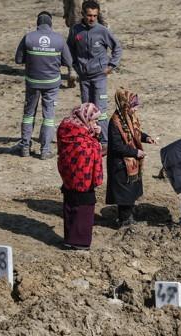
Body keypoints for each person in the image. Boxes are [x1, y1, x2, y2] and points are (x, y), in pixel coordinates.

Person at [15, 11, 72, 159]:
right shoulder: (58, 39)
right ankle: (45, 150)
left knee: (28, 114)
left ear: (38, 23)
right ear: (51, 23)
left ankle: (25, 147)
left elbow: (18, 60)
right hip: (51, 83)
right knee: (49, 116)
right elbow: (68, 62)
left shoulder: (28, 37)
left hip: (32, 82)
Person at [67, 0, 122, 148]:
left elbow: (117, 48)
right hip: (84, 77)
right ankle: (90, 140)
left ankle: (104, 143)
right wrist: (74, 66)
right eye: (89, 15)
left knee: (101, 110)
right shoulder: (75, 30)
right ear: (83, 14)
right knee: (86, 110)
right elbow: (69, 49)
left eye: (95, 16)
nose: (92, 19)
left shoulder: (102, 30)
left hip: (99, 77)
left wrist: (111, 66)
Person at [106, 89, 157, 227]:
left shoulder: (128, 117)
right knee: (124, 194)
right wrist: (135, 153)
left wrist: (146, 138)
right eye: (133, 106)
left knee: (130, 192)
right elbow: (117, 146)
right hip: (120, 164)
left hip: (130, 163)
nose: (136, 109)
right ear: (125, 106)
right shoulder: (115, 122)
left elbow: (136, 133)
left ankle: (127, 215)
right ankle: (124, 220)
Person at [57, 103, 103, 250]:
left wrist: (94, 134)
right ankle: (79, 242)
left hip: (68, 176)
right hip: (82, 178)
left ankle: (70, 239)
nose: (95, 123)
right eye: (94, 120)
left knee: (70, 205)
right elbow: (89, 151)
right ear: (85, 118)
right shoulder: (77, 134)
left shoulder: (68, 127)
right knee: (83, 210)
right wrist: (96, 139)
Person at [62, 0, 108, 88]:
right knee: (95, 43)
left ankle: (72, 70)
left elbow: (66, 2)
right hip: (93, 16)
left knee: (73, 44)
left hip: (76, 12)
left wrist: (67, 14)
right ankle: (95, 70)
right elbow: (101, 3)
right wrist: (104, 21)